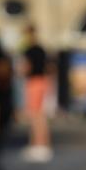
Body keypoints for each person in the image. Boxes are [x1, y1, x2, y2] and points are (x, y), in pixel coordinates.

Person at [21, 28, 54, 162]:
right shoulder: (42, 49)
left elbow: (25, 67)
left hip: (34, 82)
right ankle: (44, 144)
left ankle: (37, 145)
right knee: (41, 115)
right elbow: (49, 67)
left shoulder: (29, 50)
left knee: (35, 115)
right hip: (43, 81)